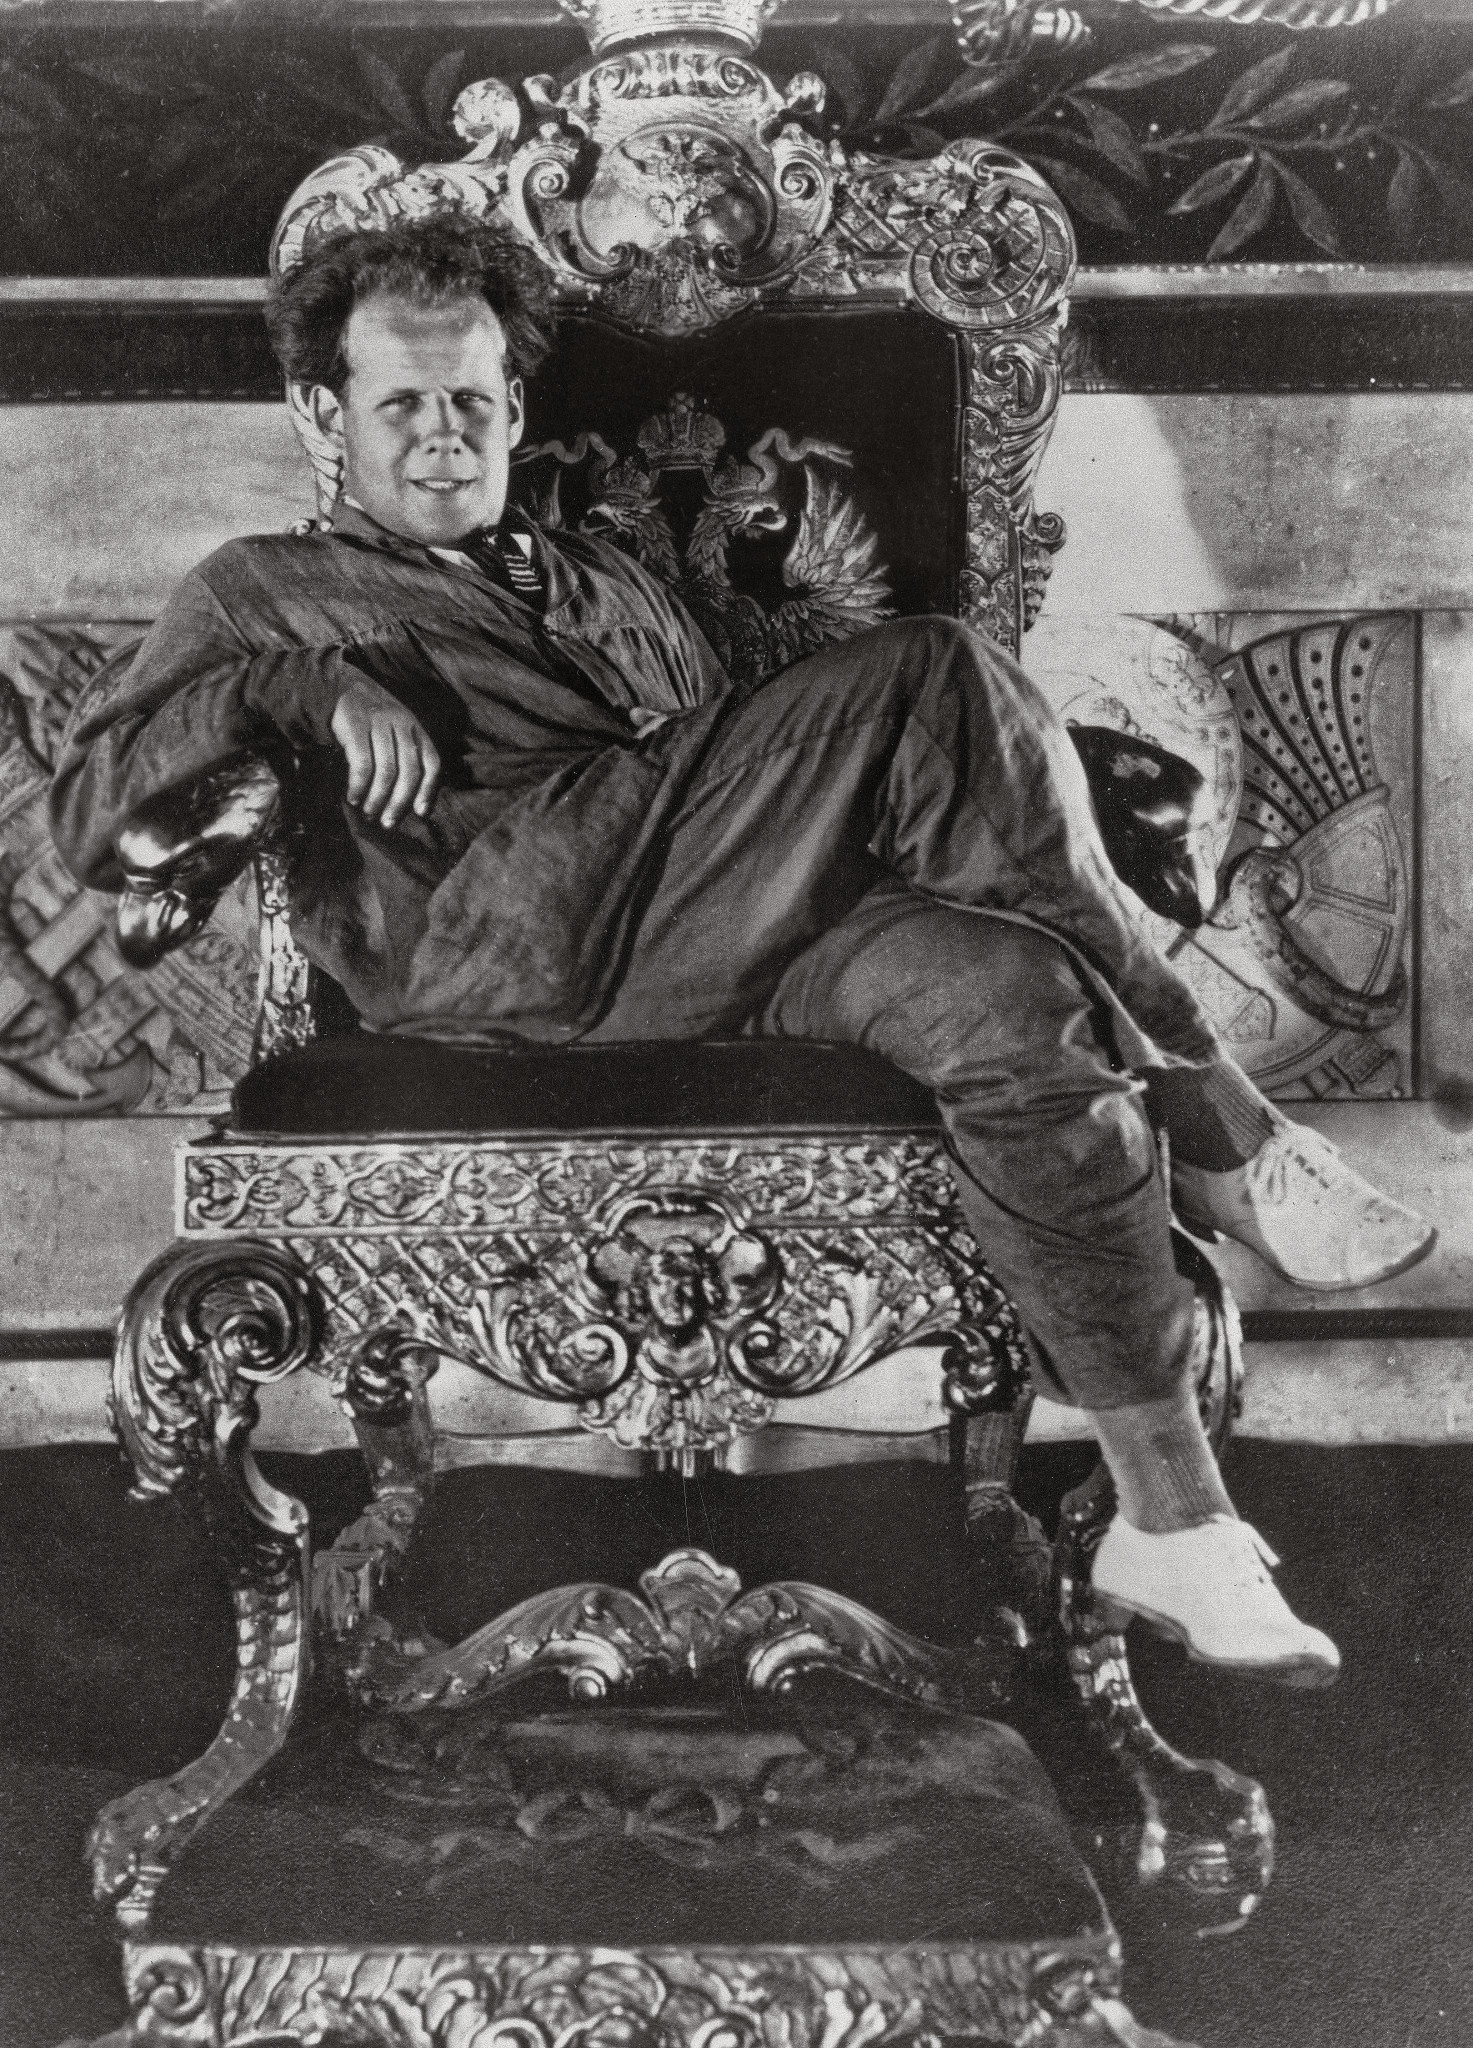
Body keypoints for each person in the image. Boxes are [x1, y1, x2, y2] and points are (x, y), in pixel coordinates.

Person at [49, 217, 1436, 1688]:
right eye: (401, 403)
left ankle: (1175, 1519)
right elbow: (82, 813)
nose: (443, 435)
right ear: (324, 412)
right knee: (933, 666)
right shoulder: (260, 586)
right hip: (501, 945)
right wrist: (299, 686)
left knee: (1012, 995)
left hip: (706, 929)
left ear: (514, 405)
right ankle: (1228, 1127)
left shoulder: (605, 582)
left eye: (472, 400)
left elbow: (751, 785)